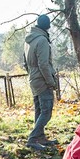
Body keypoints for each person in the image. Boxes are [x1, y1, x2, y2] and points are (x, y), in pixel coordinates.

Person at [24, 14, 60, 151]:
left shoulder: (29, 39)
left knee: (39, 110)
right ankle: (33, 138)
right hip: (42, 79)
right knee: (46, 111)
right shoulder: (42, 40)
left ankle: (40, 137)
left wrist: (32, 75)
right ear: (47, 27)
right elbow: (44, 64)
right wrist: (51, 82)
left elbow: (25, 62)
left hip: (33, 78)